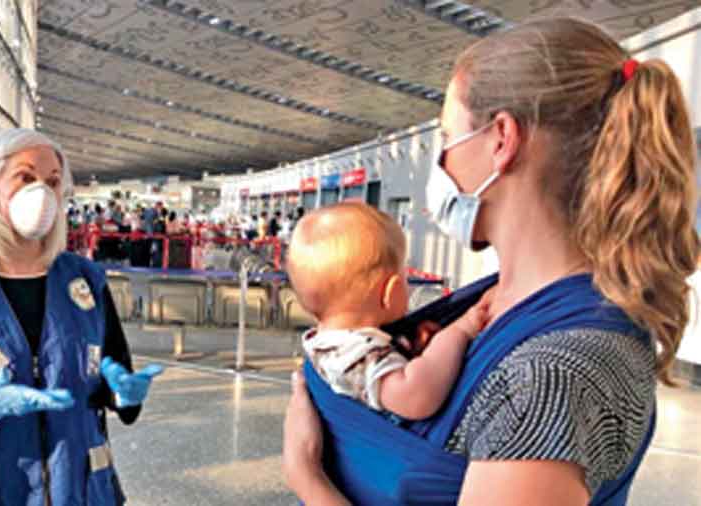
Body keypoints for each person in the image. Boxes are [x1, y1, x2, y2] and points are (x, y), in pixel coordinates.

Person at [283, 17, 699, 506]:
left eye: (446, 137)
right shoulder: (499, 302)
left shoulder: (556, 374)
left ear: (502, 139)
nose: (441, 166)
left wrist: (308, 478)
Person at [0, 128, 164, 505]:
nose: (41, 192)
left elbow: (110, 374)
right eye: (25, 177)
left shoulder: (86, 283)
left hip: (81, 490)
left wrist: (124, 396)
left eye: (52, 182)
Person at [288, 203, 489, 418]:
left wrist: (410, 350)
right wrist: (459, 332)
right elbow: (416, 397)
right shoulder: (356, 356)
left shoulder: (323, 343)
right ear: (389, 294)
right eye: (404, 276)